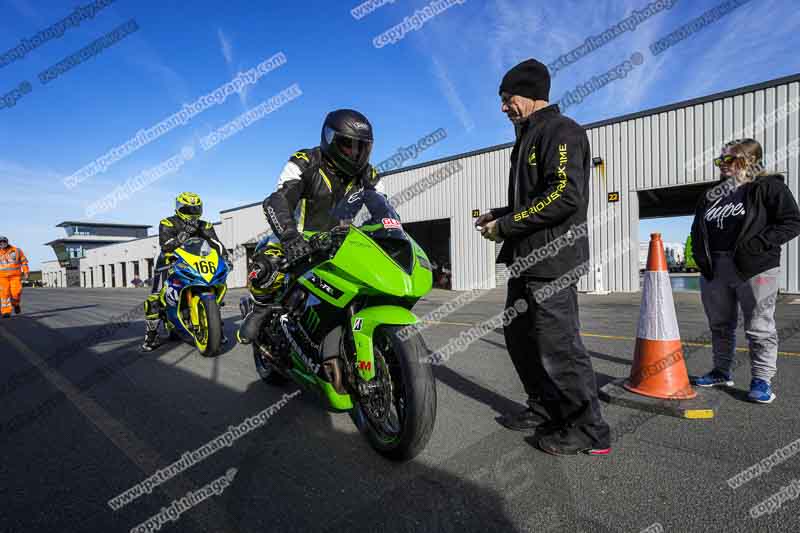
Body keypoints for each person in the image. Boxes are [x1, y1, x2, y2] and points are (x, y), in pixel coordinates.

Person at [475, 58, 610, 456]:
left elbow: (564, 195)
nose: (503, 107)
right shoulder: (527, 136)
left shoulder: (560, 130)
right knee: (520, 339)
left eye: (507, 98)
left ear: (531, 94)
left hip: (553, 261)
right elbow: (536, 198)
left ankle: (589, 430)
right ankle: (545, 408)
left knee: (559, 347)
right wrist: (500, 214)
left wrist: (507, 226)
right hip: (526, 261)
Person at [237, 109, 380, 344]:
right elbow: (278, 201)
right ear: (330, 139)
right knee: (267, 265)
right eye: (348, 145)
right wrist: (291, 238)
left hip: (340, 244)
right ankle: (260, 309)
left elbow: (382, 207)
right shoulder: (305, 162)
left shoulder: (368, 175)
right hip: (297, 241)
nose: (355, 154)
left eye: (361, 147)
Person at [690, 138, 800, 403]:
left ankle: (761, 380)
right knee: (719, 325)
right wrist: (701, 258)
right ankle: (721, 371)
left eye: (729, 159)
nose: (722, 165)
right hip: (715, 269)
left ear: (750, 160)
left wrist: (758, 245)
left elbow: (792, 222)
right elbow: (697, 229)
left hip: (755, 267)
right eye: (720, 160)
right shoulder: (711, 195)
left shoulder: (769, 187)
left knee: (759, 327)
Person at [141, 192, 230, 352]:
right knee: (154, 299)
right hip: (168, 262)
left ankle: (216, 328)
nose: (193, 213)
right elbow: (166, 246)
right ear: (179, 209)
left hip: (196, 262)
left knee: (212, 288)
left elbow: (215, 243)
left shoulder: (205, 225)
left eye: (196, 209)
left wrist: (225, 256)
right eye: (189, 210)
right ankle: (151, 335)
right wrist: (184, 234)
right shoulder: (168, 223)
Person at [0, 236, 29, 318]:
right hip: (2, 277)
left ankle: (16, 304)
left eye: (3, 242)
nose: (1, 244)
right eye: (0, 242)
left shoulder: (17, 251)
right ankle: (6, 312)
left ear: (6, 242)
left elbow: (24, 262)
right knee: (4, 294)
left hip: (15, 276)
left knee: (16, 293)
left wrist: (26, 272)